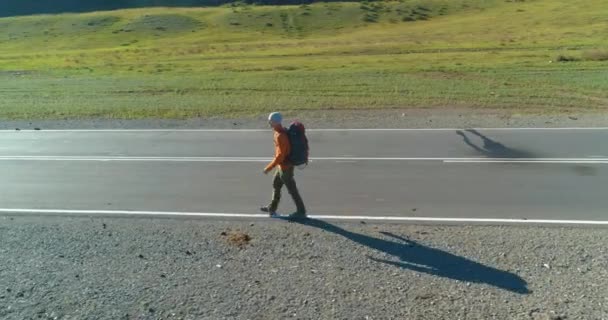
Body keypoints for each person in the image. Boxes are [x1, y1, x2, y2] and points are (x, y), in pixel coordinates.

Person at [260, 112, 307, 219]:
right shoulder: (279, 132)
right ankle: (272, 208)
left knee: (292, 190)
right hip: (282, 166)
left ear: (275, 122)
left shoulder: (281, 136)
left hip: (286, 168)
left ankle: (301, 211)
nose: (269, 123)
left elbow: (280, 156)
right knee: (276, 184)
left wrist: (268, 168)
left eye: (270, 121)